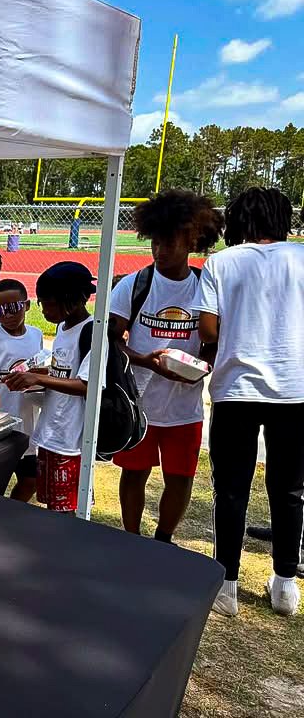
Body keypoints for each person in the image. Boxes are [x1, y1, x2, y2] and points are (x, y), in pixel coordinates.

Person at [196, 187, 304, 618]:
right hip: (296, 391)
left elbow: (206, 329)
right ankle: (285, 587)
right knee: (291, 490)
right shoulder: (302, 257)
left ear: (239, 222)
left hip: (237, 390)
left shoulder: (221, 263)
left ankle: (227, 585)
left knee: (231, 489)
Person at [107, 191, 223, 545]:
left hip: (185, 407)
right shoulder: (134, 285)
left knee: (180, 477)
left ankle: (163, 540)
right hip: (139, 403)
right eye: (155, 242)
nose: (160, 250)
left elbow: (217, 339)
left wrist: (205, 364)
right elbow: (110, 340)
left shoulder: (207, 286)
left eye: (169, 242)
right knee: (134, 472)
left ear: (191, 239)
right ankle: (132, 539)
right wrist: (145, 361)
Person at [1, 262, 95, 515]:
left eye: (47, 302)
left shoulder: (92, 332)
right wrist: (35, 375)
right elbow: (64, 371)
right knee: (51, 504)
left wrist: (39, 380)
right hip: (51, 431)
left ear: (71, 300)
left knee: (65, 510)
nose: (42, 309)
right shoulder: (63, 328)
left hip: (71, 439)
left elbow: (87, 384)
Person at [0, 279, 44, 503]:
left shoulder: (36, 335)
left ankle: (8, 511)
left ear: (26, 306)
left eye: (13, 308)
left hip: (27, 424)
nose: (7, 315)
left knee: (30, 482)